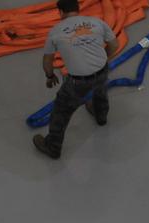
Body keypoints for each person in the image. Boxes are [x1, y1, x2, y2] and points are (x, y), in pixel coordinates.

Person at [32, 0, 118, 159]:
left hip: (78, 82)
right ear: (78, 9)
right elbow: (114, 45)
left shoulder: (55, 31)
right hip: (102, 71)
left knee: (61, 111)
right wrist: (101, 61)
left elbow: (47, 60)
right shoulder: (97, 22)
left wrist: (50, 76)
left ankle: (53, 147)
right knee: (100, 92)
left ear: (60, 12)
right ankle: (101, 116)